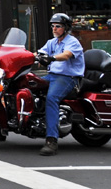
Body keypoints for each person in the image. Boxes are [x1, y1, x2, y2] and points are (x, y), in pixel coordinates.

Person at [36, 12, 85, 156]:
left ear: (66, 28)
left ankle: (52, 140)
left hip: (68, 78)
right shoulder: (52, 42)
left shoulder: (72, 42)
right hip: (52, 76)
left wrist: (51, 58)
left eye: (58, 26)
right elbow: (39, 53)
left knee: (52, 98)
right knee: (27, 85)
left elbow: (66, 55)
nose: (54, 29)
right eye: (53, 26)